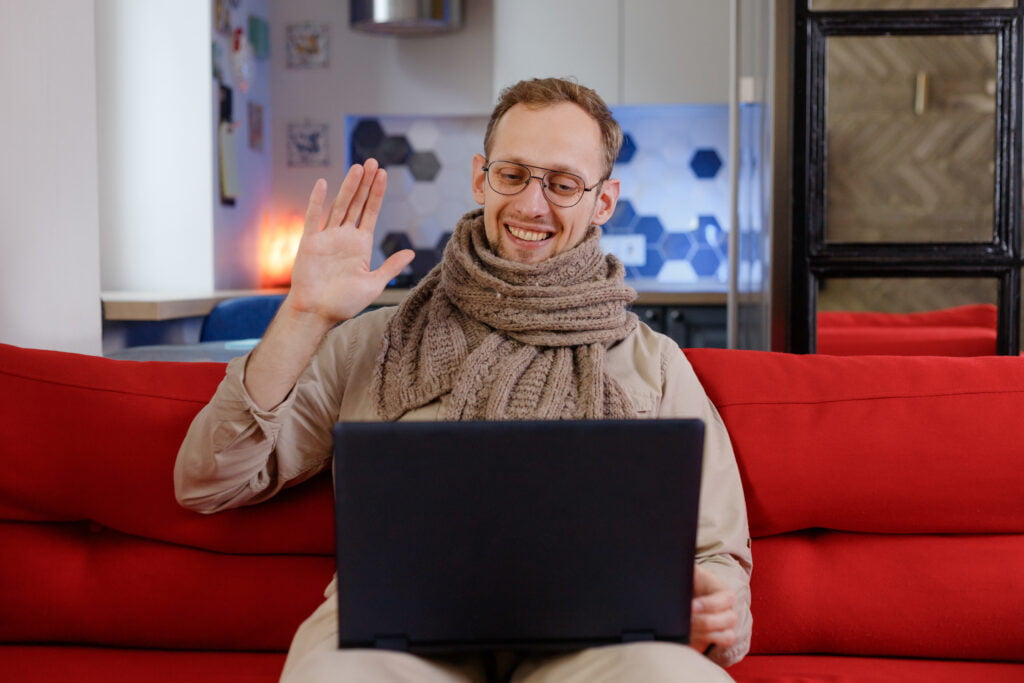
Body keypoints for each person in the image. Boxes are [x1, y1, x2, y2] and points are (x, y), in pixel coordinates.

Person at [175, 77, 752, 682]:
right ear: (481, 178)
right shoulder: (374, 341)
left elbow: (719, 554)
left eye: (562, 184)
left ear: (602, 202)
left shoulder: (655, 364)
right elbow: (208, 481)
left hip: (596, 642)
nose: (532, 205)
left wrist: (723, 605)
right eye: (513, 175)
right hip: (396, 640)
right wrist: (303, 314)